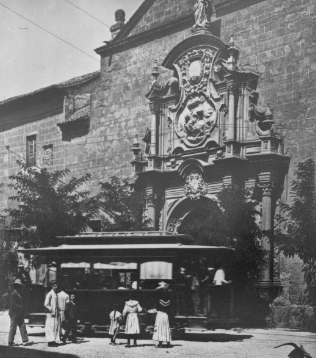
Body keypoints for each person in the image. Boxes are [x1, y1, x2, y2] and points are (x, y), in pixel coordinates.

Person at [8, 279, 33, 347]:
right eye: (18, 286)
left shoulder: (19, 293)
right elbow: (14, 305)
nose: (20, 287)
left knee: (23, 326)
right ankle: (10, 341)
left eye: (20, 286)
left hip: (19, 313)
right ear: (15, 286)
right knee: (13, 327)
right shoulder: (13, 294)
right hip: (14, 313)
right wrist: (22, 307)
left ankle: (25, 340)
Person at [44, 281, 61, 347]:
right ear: (52, 286)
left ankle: (53, 340)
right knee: (50, 328)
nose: (56, 287)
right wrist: (51, 309)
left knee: (54, 327)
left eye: (56, 286)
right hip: (51, 314)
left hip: (55, 314)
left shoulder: (55, 294)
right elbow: (46, 304)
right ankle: (50, 342)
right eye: (54, 286)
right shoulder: (50, 294)